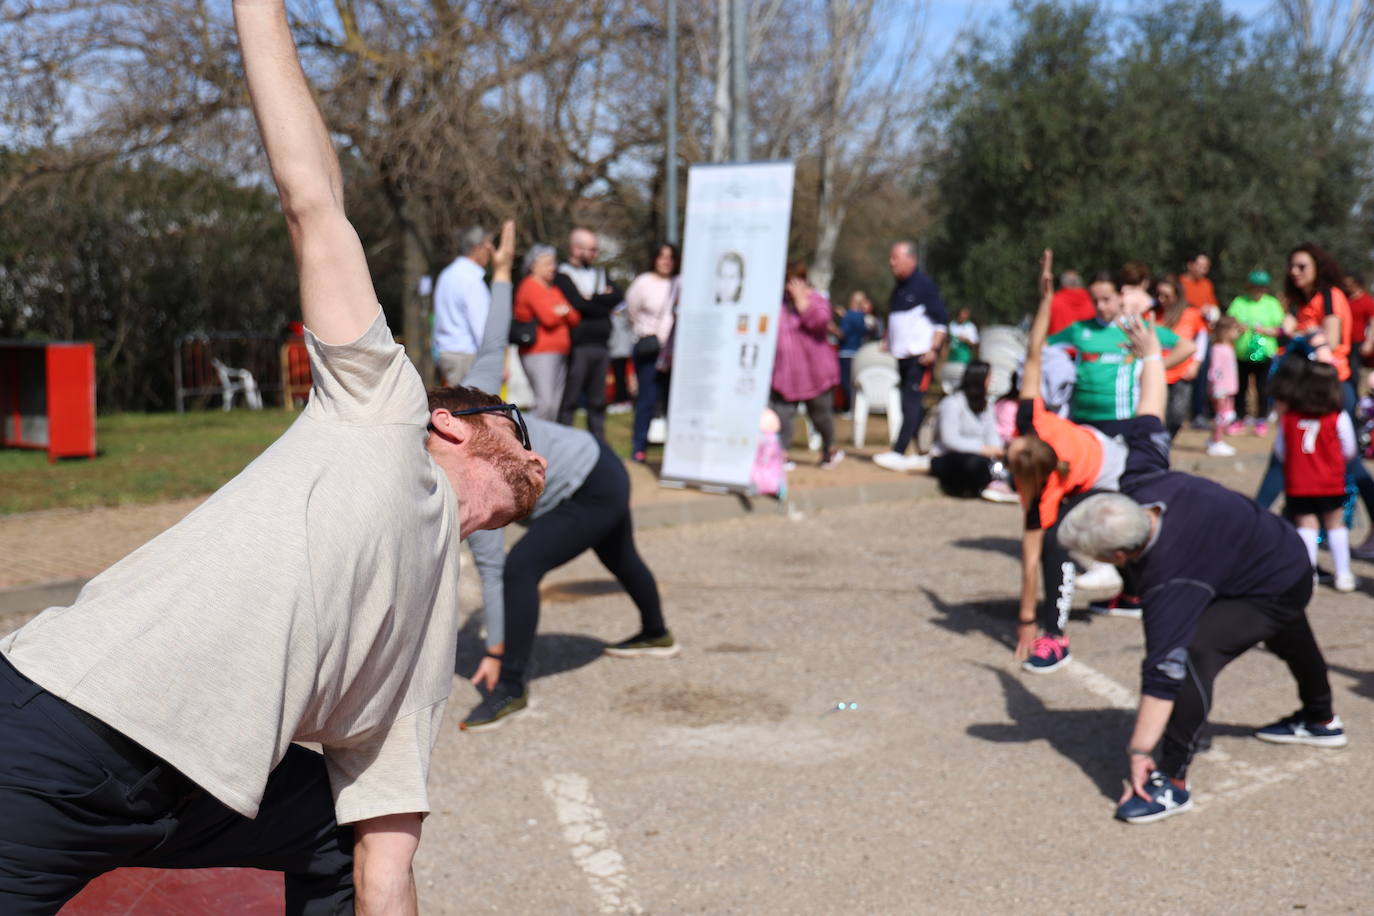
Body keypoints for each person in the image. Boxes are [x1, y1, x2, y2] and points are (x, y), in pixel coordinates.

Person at [0, 6, 550, 913]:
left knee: (337, 840)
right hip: (66, 727)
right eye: (517, 427)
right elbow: (313, 198)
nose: (535, 450)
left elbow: (387, 866)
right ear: (453, 427)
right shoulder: (382, 412)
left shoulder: (423, 637)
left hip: (195, 794)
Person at [460, 253, 676, 732]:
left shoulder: (471, 462)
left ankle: (512, 687)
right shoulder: (466, 401)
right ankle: (657, 634)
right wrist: (499, 276)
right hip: (598, 461)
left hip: (592, 483)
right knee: (621, 558)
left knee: (523, 566)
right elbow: (494, 337)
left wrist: (496, 651)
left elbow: (496, 568)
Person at [1057, 487, 1346, 825]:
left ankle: (1172, 781)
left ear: (1118, 556)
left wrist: (1139, 751)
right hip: (1274, 552)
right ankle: (1320, 719)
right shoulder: (1150, 486)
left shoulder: (1170, 579)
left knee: (1194, 651)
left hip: (1275, 577)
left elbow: (1164, 671)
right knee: (1287, 629)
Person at [1008, 250, 1171, 673]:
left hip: (1113, 466)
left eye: (1009, 458)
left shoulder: (1044, 488)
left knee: (1062, 542)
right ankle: (1123, 599)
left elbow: (1031, 556)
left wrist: (1028, 621)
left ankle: (1055, 637)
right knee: (1059, 540)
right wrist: (1044, 299)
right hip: (1089, 451)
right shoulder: (1030, 419)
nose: (1006, 450)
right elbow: (1033, 352)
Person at [1046, 270, 1194, 428]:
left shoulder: (1136, 328)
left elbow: (1187, 347)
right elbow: (1041, 346)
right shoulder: (1079, 329)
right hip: (1082, 420)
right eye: (1095, 301)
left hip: (1123, 420)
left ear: (1120, 296)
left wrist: (1153, 368)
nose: (1101, 306)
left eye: (1106, 299)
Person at [1276, 359, 1359, 592]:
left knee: (1306, 524)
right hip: (1330, 480)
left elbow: (1281, 451)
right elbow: (1350, 448)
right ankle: (1344, 575)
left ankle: (1307, 575)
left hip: (1299, 481)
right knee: (1335, 523)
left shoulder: (1289, 417)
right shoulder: (1336, 416)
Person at [874, 240, 948, 472]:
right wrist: (889, 338)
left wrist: (933, 349)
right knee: (910, 404)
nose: (891, 262)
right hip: (902, 357)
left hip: (920, 357)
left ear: (911, 259)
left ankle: (899, 450)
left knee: (912, 403)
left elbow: (941, 321)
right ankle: (922, 450)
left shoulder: (924, 286)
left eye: (896, 258)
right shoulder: (899, 286)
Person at [772, 263, 843, 468]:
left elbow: (820, 322)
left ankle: (830, 448)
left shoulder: (816, 300)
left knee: (820, 415)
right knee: (782, 415)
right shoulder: (779, 305)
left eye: (794, 281)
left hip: (815, 372)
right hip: (785, 372)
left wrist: (801, 301)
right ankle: (781, 453)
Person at [555, 227, 623, 439]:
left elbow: (617, 296)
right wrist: (600, 300)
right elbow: (578, 303)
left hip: (602, 345)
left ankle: (598, 445)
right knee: (570, 400)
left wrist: (591, 299)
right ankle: (564, 442)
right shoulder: (563, 275)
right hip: (578, 346)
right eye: (591, 249)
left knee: (598, 400)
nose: (595, 254)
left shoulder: (600, 274)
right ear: (576, 249)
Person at [624, 243, 679, 462]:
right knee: (647, 398)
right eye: (661, 256)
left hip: (675, 351)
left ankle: (675, 450)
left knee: (673, 401)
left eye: (670, 257)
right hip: (650, 349)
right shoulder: (643, 283)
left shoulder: (680, 282)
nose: (666, 261)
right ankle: (639, 447)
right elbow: (631, 310)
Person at [515, 243, 580, 421]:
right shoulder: (530, 286)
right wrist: (562, 312)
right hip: (539, 352)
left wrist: (563, 312)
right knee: (545, 404)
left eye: (554, 263)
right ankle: (530, 439)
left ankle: (546, 444)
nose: (554, 268)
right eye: (548, 264)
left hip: (558, 352)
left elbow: (574, 317)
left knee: (554, 404)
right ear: (534, 265)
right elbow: (548, 319)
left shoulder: (554, 289)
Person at [929, 361, 1007, 499]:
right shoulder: (952, 403)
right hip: (949, 457)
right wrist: (982, 449)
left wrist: (997, 449)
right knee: (974, 464)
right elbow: (950, 440)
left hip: (982, 456)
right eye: (989, 377)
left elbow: (991, 433)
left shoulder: (986, 405)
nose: (991, 381)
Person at [432, 224, 494, 385]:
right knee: (469, 408)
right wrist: (492, 359)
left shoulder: (447, 275)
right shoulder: (471, 279)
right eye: (488, 246)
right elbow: (481, 326)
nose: (491, 252)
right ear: (477, 248)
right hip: (465, 356)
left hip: (447, 352)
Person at [1227, 270, 1284, 434]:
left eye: (1262, 287)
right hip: (1242, 353)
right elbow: (1229, 323)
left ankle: (1261, 419)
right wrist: (1238, 327)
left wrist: (1266, 330)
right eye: (1256, 287)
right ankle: (1239, 418)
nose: (1259, 290)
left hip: (1265, 354)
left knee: (1263, 387)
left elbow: (1280, 329)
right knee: (1241, 387)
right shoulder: (1239, 302)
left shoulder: (1272, 303)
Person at [1151, 275, 1206, 439]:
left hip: (1182, 372)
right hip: (1158, 373)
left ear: (1177, 295)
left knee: (1177, 416)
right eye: (1158, 295)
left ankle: (1166, 442)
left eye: (1166, 295)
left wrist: (1196, 363)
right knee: (1158, 416)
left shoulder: (1191, 313)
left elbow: (1201, 339)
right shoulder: (1151, 315)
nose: (1161, 299)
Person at [1204, 316, 1242, 457]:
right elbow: (1216, 370)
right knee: (1221, 415)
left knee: (1226, 414)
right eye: (1235, 330)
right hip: (1220, 390)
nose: (1237, 333)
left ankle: (1215, 439)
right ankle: (1216, 441)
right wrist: (1218, 389)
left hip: (1228, 388)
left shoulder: (1228, 347)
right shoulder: (1218, 349)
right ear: (1225, 331)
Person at [837, 291, 871, 412]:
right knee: (854, 383)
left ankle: (851, 408)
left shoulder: (849, 315)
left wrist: (830, 328)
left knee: (845, 382)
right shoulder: (862, 317)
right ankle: (856, 407)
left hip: (846, 352)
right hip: (858, 353)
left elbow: (842, 333)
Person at [1048, 269, 1096, 336]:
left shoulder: (1052, 302)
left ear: (1062, 284)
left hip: (1058, 344)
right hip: (1086, 344)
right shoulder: (1094, 302)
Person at [1346, 272, 1374, 383]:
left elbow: (1373, 323)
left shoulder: (1367, 301)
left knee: (1355, 372)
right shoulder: (1345, 299)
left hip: (1358, 342)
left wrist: (1369, 342)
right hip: (1344, 341)